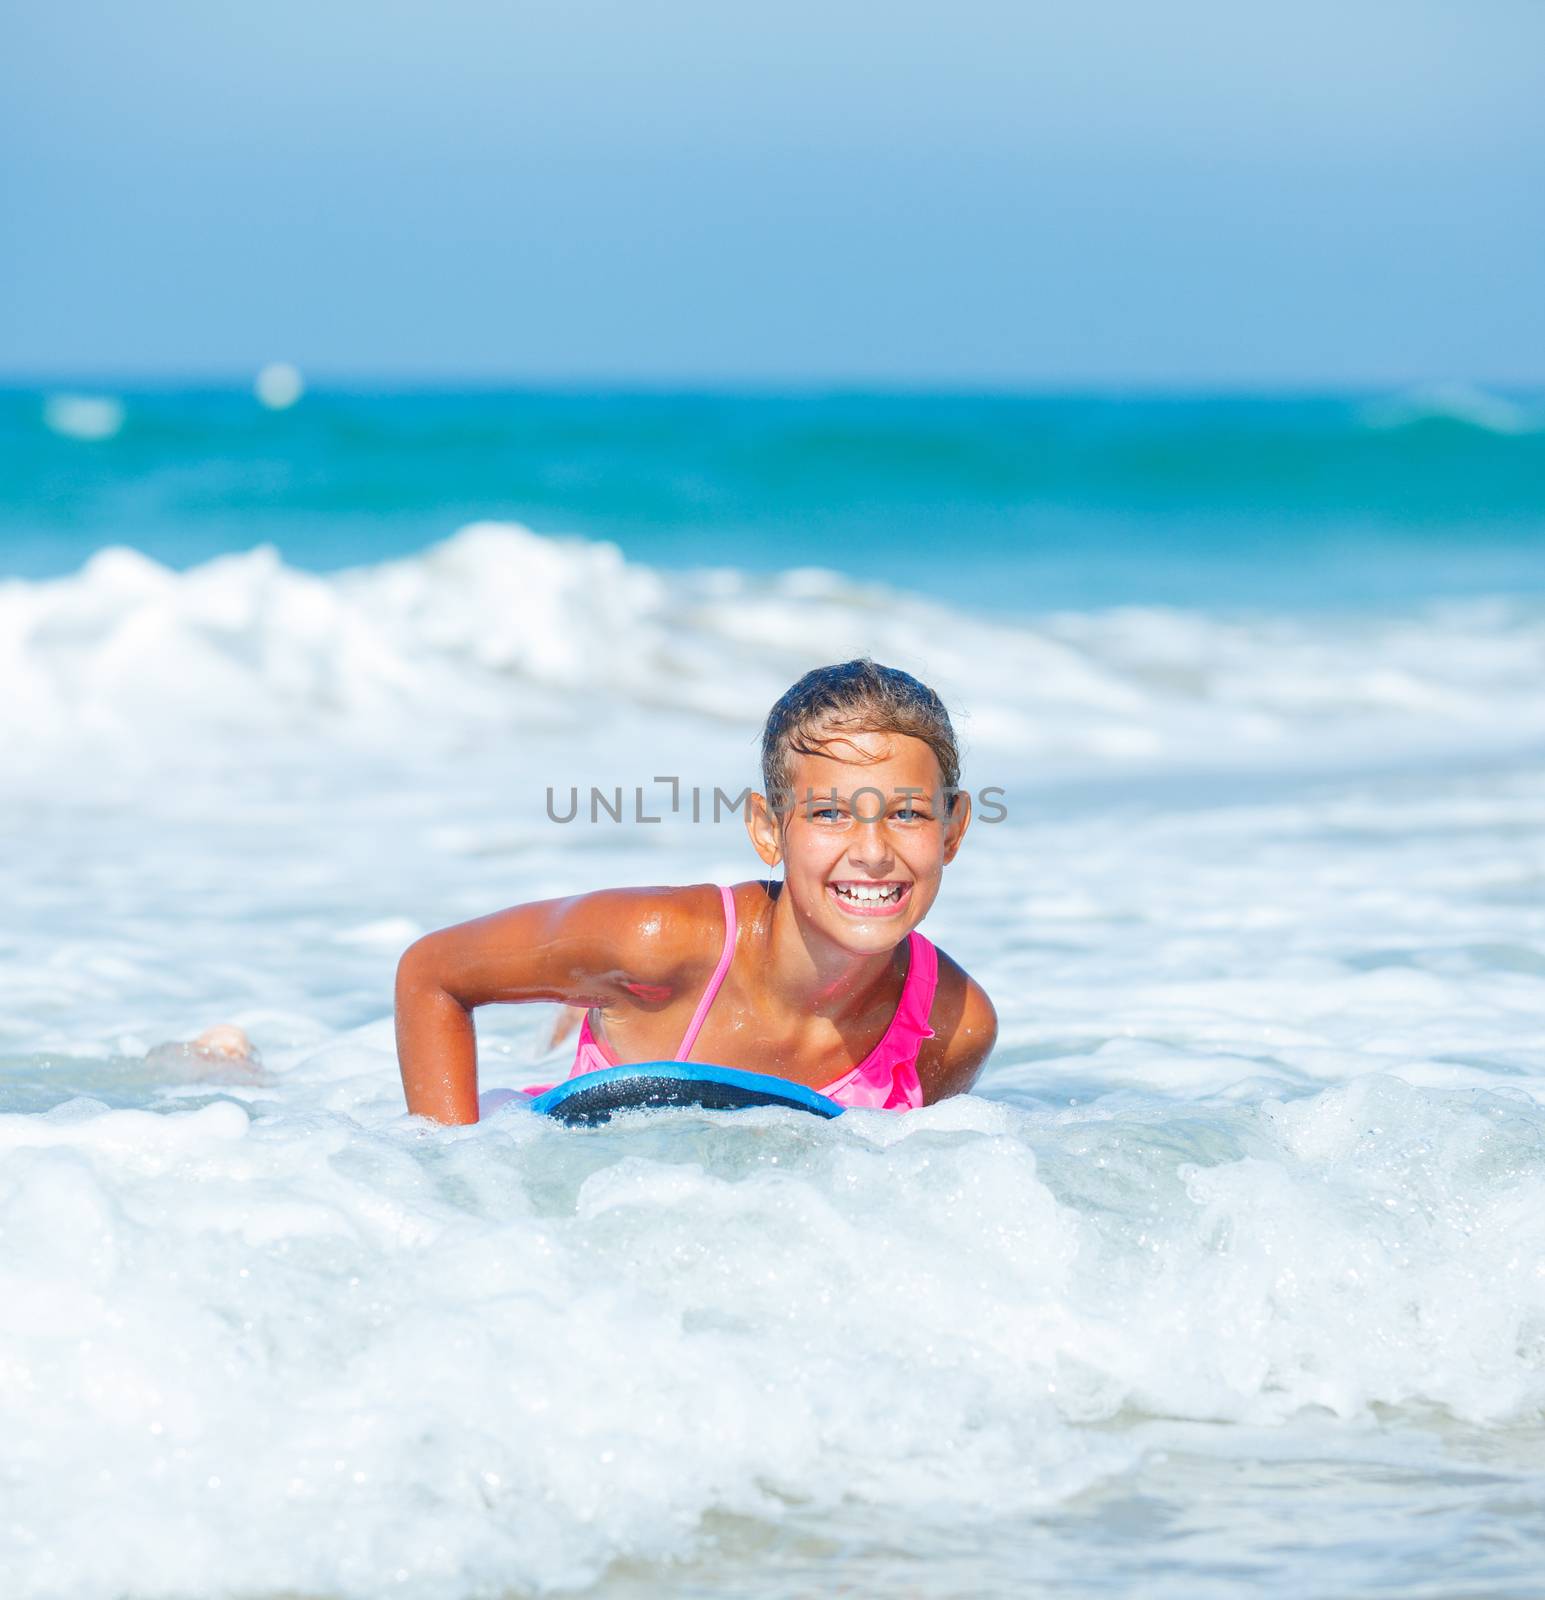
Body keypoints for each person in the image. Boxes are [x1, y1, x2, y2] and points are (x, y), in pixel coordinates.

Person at [394, 659, 998, 1123]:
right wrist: (449, 1182)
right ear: (767, 829)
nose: (872, 852)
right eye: (829, 814)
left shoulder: (952, 1022)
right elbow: (431, 973)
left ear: (953, 830)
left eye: (910, 814)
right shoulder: (656, 946)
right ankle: (574, 1019)